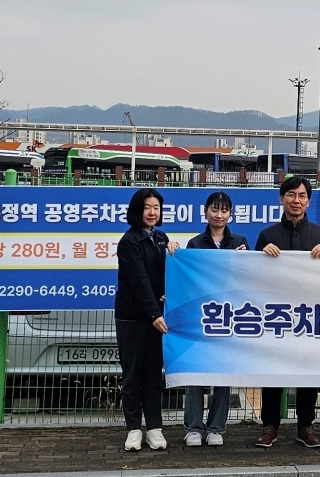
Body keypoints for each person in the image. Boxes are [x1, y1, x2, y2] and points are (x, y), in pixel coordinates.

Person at [253, 177, 320, 450]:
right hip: (275, 315)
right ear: (281, 199)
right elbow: (251, 275)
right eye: (290, 195)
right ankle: (270, 425)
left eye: (301, 195)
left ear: (308, 201)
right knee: (273, 371)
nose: (296, 200)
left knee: (307, 372)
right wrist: (261, 255)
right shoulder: (267, 235)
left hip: (310, 316)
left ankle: (305, 426)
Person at [182, 191, 247, 447]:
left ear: (231, 214)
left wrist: (244, 261)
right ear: (205, 211)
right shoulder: (195, 243)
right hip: (200, 317)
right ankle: (193, 427)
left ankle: (217, 427)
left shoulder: (239, 241)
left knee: (223, 373)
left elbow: (246, 278)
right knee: (196, 373)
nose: (219, 215)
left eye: (224, 211)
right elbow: (187, 279)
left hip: (229, 317)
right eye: (214, 210)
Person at [115, 188, 179, 452]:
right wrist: (154, 313)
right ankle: (133, 429)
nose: (152, 213)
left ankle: (154, 427)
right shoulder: (128, 242)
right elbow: (140, 281)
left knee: (154, 374)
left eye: (156, 208)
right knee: (132, 375)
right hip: (133, 317)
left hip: (157, 317)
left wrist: (175, 252)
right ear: (136, 211)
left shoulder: (161, 238)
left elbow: (169, 276)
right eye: (147, 207)